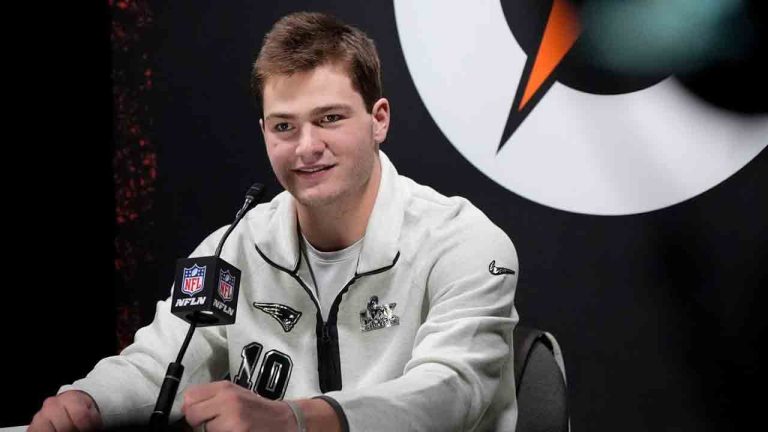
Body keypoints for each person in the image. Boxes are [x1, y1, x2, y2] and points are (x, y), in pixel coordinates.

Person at [30, 11, 519, 432]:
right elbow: (163, 359)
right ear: (264, 133)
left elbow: (452, 392)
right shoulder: (231, 248)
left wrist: (297, 419)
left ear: (379, 119)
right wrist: (87, 401)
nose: (306, 146)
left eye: (329, 118)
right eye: (285, 126)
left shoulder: (465, 242)